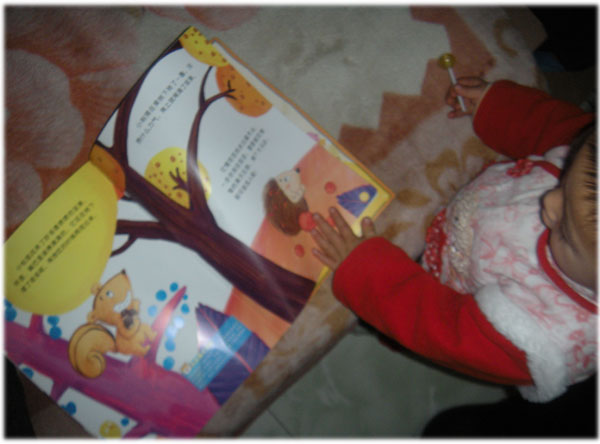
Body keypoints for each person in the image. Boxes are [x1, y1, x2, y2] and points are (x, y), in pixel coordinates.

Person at [310, 77, 596, 403]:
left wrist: (366, 274)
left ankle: (368, 321)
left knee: (387, 316)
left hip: (440, 288)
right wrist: (499, 107)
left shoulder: (544, 337)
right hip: (475, 219)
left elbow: (438, 329)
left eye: (566, 234)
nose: (550, 201)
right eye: (566, 176)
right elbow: (561, 128)